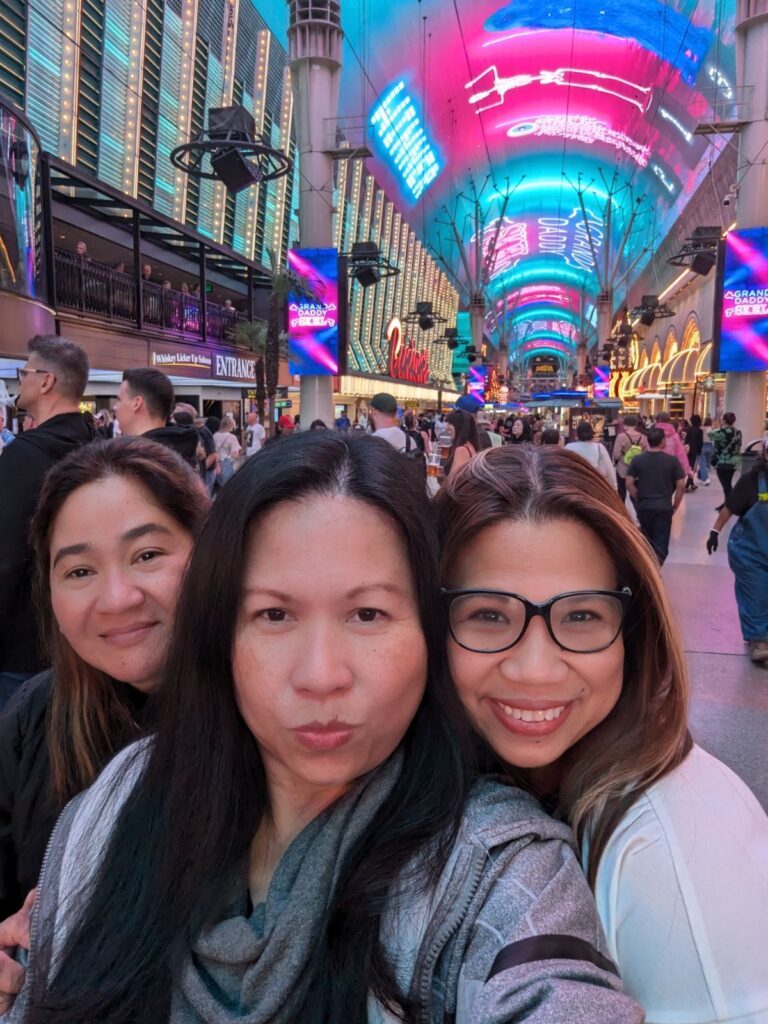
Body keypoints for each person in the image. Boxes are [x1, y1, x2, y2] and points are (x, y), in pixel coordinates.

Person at [7, 433, 642, 1024]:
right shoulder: (119, 801)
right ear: (219, 629)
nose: (320, 675)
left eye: (368, 613)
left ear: (430, 632)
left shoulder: (494, 869)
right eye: (274, 613)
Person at [436, 444, 768, 1022]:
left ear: (631, 631)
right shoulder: (475, 778)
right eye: (488, 615)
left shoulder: (672, 850)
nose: (534, 670)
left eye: (582, 615)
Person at [0, 439, 209, 929]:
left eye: (147, 554)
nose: (116, 599)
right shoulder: (34, 721)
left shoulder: (280, 726)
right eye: (79, 570)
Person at [0, 336, 96, 708]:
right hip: (76, 635)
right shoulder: (96, 447)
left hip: (21, 648)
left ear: (46, 381)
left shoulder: (24, 457)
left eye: (24, 372)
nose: (20, 380)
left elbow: (5, 558)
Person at [706, 437, 768, 665]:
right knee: (757, 594)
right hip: (750, 553)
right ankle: (759, 641)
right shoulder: (752, 481)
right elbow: (730, 508)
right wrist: (714, 531)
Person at [114, 369, 199, 468]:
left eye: (119, 400)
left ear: (136, 403)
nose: (115, 407)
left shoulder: (138, 465)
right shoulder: (181, 453)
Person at [626, 426, 686, 565]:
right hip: (663, 506)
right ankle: (656, 568)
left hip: (644, 505)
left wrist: (638, 497)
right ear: (663, 442)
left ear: (648, 441)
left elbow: (629, 483)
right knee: (661, 542)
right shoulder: (672, 461)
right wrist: (675, 505)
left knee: (646, 539)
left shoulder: (637, 460)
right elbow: (681, 485)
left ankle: (648, 567)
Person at [566, 421, 617, 487]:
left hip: (574, 486)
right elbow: (610, 470)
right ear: (591, 433)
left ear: (577, 434)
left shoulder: (569, 447)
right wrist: (614, 487)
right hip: (594, 487)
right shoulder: (599, 447)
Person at [612, 414, 647, 504]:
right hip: (637, 471)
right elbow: (645, 454)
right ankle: (639, 515)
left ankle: (621, 515)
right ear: (635, 425)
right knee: (635, 494)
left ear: (625, 424)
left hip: (622, 470)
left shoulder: (621, 437)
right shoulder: (643, 437)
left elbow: (616, 455)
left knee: (621, 494)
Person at [655, 411, 695, 489]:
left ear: (657, 420)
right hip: (670, 468)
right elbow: (681, 454)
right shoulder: (674, 435)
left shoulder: (652, 433)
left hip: (654, 467)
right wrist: (687, 469)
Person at [711, 412, 742, 503]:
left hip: (723, 461)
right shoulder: (738, 432)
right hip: (734, 461)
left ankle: (731, 504)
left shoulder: (721, 432)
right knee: (727, 483)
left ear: (724, 420)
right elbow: (739, 445)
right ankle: (727, 503)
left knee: (726, 485)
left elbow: (710, 435)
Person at [444, 409, 479, 480]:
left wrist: (441, 476)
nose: (446, 427)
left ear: (460, 426)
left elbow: (453, 482)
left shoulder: (462, 450)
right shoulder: (470, 445)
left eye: (450, 424)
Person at [213, 413, 242, 486]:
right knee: (228, 486)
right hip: (228, 464)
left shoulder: (215, 435)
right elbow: (235, 454)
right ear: (230, 425)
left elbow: (213, 451)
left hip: (216, 464)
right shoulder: (232, 437)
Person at [683, 414, 703, 492]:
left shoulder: (690, 430)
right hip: (695, 451)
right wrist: (699, 451)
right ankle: (688, 484)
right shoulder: (699, 431)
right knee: (693, 467)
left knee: (689, 466)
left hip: (688, 450)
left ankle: (691, 483)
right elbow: (700, 442)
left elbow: (686, 441)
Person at [698, 415, 714, 485]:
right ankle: (703, 477)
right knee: (707, 464)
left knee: (703, 464)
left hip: (702, 446)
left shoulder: (701, 429)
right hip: (710, 446)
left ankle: (704, 478)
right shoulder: (712, 429)